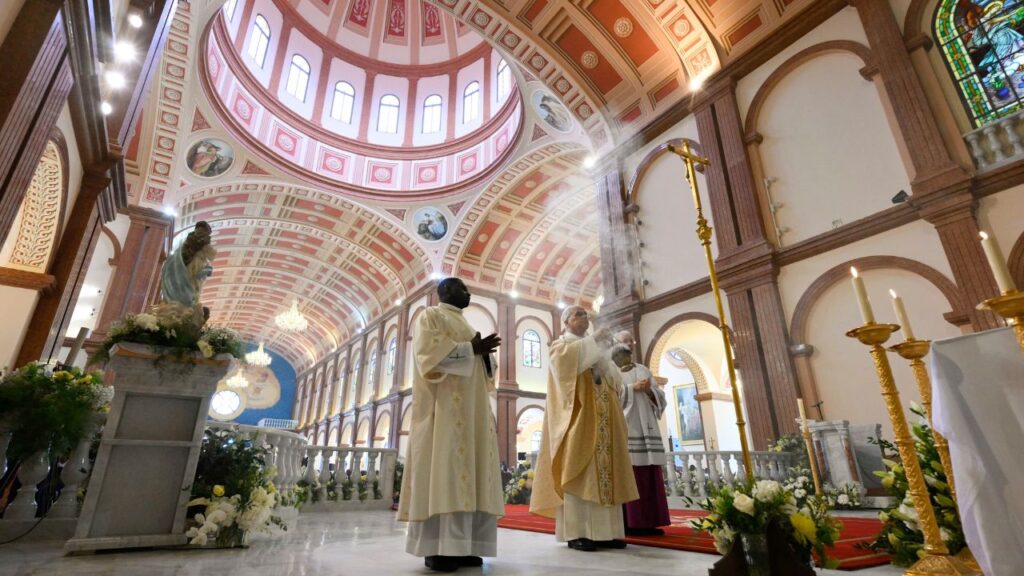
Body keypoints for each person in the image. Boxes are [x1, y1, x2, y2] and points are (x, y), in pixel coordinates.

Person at [397, 278, 504, 572]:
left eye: (468, 289)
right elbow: (428, 357)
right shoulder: (431, 316)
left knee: (472, 471)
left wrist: (484, 356)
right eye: (461, 288)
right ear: (444, 291)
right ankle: (438, 548)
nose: (468, 292)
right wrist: (472, 349)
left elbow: (486, 370)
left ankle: (467, 546)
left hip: (474, 413)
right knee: (445, 473)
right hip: (443, 411)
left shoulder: (467, 326)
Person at [530, 306, 638, 552]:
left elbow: (616, 382)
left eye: (585, 314)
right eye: (578, 314)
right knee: (581, 472)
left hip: (605, 421)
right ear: (566, 321)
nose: (584, 318)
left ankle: (608, 533)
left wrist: (607, 359)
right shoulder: (560, 346)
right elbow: (567, 366)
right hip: (579, 419)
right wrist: (594, 342)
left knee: (607, 471)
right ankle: (578, 533)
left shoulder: (597, 348)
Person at [611, 345, 671, 536]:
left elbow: (660, 395)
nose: (625, 358)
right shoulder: (612, 373)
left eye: (628, 354)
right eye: (621, 355)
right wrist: (631, 388)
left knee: (649, 474)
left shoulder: (643, 369)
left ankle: (650, 521)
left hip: (647, 425)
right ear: (615, 357)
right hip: (626, 428)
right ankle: (630, 521)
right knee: (630, 474)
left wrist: (649, 391)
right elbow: (610, 398)